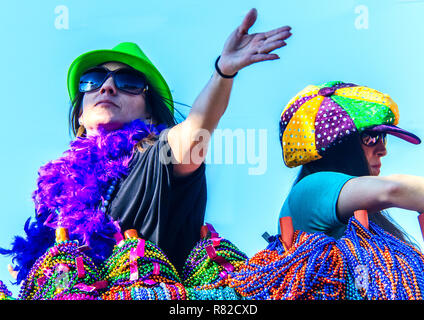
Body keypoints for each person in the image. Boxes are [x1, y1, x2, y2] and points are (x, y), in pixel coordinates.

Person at [2, 9, 292, 283]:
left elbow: (195, 131)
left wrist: (223, 73)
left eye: (128, 82)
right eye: (92, 81)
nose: (107, 87)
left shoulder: (157, 157)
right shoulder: (56, 193)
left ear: (150, 113)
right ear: (80, 112)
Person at [278, 81, 424, 243]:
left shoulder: (355, 204)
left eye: (383, 138)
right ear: (337, 145)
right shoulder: (309, 189)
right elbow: (393, 189)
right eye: (370, 137)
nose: (383, 150)